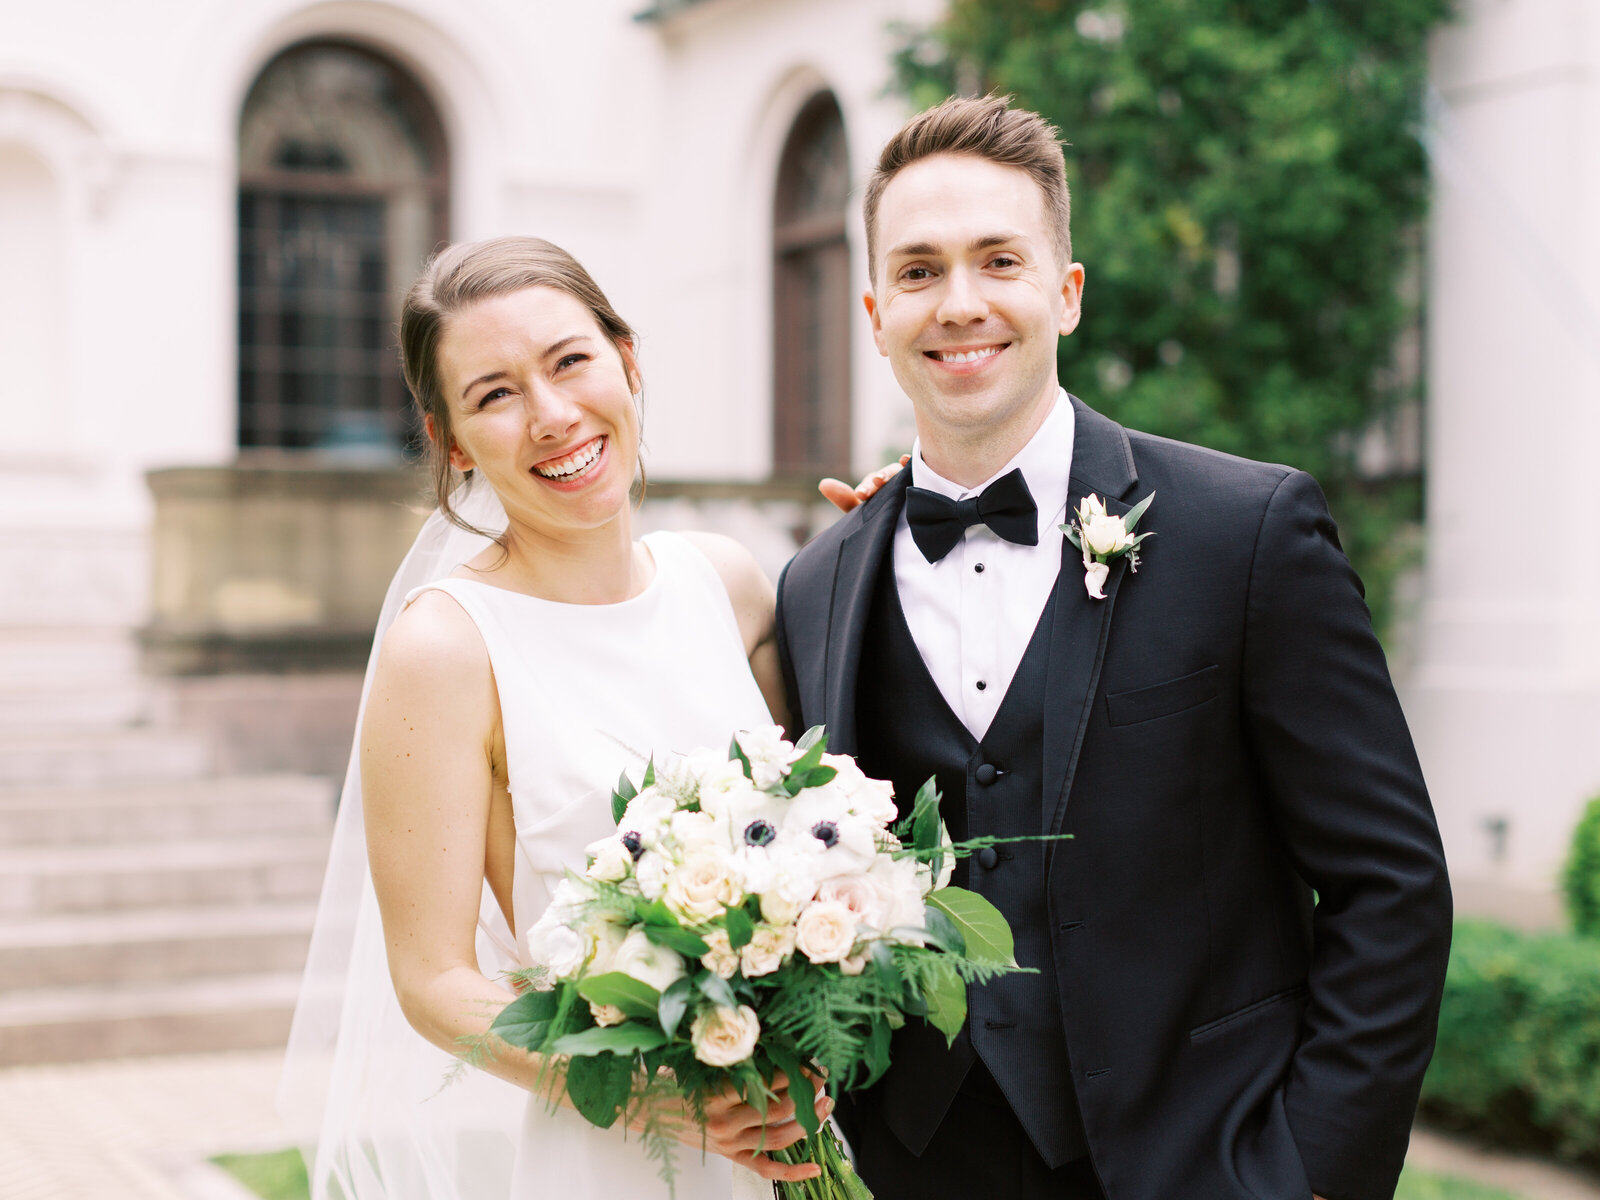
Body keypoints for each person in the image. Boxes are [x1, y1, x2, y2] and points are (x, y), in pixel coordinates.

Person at [775, 95, 1452, 1200]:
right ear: (872, 309)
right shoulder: (817, 585)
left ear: (1066, 292)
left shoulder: (1246, 532)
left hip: (1199, 1162)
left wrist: (1310, 1174)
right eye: (917, 270)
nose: (959, 303)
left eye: (999, 260)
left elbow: (1391, 888)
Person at [281, 236, 846, 1199]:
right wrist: (653, 1098)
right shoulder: (447, 649)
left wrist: (879, 548)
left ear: (626, 359)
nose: (550, 416)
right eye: (494, 394)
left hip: (805, 1128)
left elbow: (827, 832)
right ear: (452, 441)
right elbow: (431, 981)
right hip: (630, 1155)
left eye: (569, 361)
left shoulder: (729, 582)